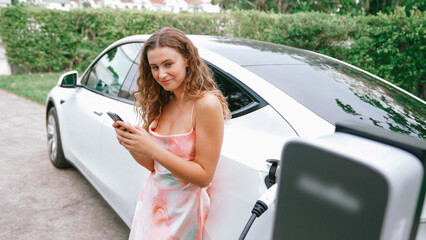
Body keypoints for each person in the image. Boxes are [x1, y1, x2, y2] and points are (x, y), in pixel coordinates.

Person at [113, 27, 231, 240]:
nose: (161, 74)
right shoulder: (163, 101)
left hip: (182, 214)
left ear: (187, 59)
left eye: (168, 64)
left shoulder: (205, 104)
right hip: (151, 204)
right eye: (155, 67)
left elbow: (204, 176)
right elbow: (154, 166)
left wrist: (151, 147)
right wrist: (132, 144)